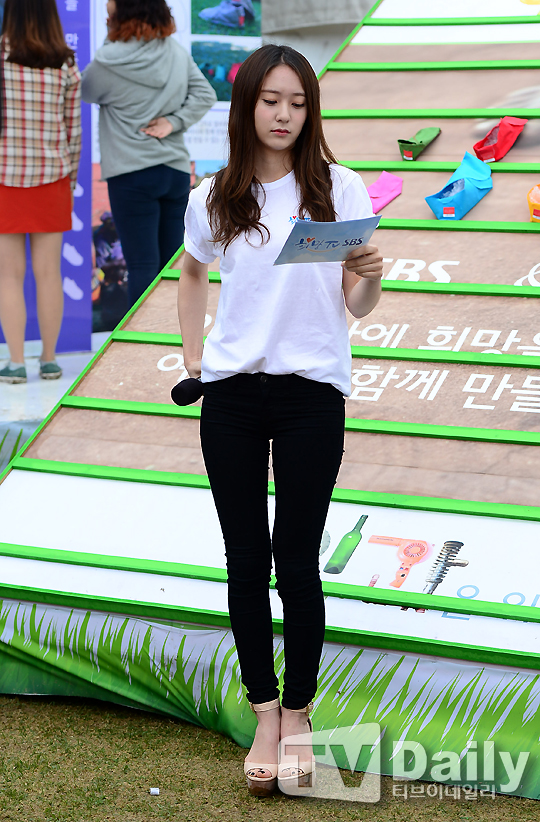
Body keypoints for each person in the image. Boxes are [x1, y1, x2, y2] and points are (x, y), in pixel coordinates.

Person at [178, 44, 384, 796]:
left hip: (310, 394)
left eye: (298, 102)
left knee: (296, 560)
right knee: (244, 559)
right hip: (232, 396)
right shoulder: (214, 195)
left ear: (311, 110)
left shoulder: (339, 186)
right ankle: (263, 711)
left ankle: (298, 714)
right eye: (271, 100)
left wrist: (370, 278)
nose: (284, 114)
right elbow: (192, 271)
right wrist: (194, 361)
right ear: (247, 106)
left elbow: (356, 306)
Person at [81, 0, 217, 308]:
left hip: (131, 173)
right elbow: (205, 94)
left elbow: (87, 91)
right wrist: (173, 122)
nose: (106, 18)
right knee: (172, 267)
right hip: (174, 171)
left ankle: (141, 337)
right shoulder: (175, 52)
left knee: (142, 265)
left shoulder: (108, 59)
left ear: (122, 17)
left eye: (110, 14)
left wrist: (111, 39)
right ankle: (171, 333)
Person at [0, 0, 81, 384]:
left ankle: (15, 362)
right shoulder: (65, 62)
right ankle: (49, 360)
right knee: (49, 273)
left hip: (4, 176)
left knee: (8, 276)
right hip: (53, 177)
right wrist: (71, 177)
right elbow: (73, 130)